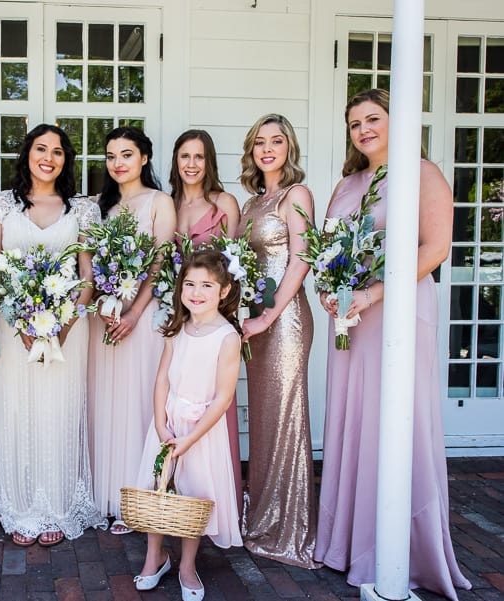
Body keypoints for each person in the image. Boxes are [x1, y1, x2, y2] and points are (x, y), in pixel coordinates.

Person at [314, 89, 471, 598]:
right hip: (352, 321)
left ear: (397, 121)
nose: (363, 129)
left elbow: (436, 248)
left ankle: (396, 551)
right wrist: (329, 289)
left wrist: (373, 292)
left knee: (396, 422)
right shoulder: (347, 182)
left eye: (373, 118)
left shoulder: (423, 174)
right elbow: (330, 248)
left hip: (399, 312)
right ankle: (347, 543)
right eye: (355, 122)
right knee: (353, 418)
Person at [0, 123, 102, 547]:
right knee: (18, 408)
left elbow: (88, 273)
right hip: (13, 326)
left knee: (60, 409)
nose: (48, 157)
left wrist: (67, 321)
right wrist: (22, 322)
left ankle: (59, 506)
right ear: (26, 154)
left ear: (66, 160)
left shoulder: (82, 208)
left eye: (57, 151)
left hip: (70, 324)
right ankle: (21, 507)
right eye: (40, 149)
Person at [133, 249, 243, 600]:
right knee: (158, 489)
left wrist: (191, 438)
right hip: (167, 425)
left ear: (224, 291)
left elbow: (223, 398)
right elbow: (162, 378)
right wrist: (163, 426)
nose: (196, 292)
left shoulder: (227, 337)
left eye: (207, 286)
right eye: (190, 284)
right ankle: (156, 557)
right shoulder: (177, 327)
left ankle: (187, 565)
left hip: (200, 430)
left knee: (192, 497)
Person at [237, 114, 319, 569]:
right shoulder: (251, 205)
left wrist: (270, 315)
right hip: (255, 323)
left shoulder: (296, 195)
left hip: (284, 322)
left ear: (289, 148)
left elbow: (301, 259)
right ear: (251, 151)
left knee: (286, 415)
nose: (268, 149)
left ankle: (289, 528)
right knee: (265, 419)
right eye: (260, 142)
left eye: (277, 141)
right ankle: (263, 515)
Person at [87, 126, 176, 534]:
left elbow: (158, 263)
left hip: (141, 320)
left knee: (138, 404)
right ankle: (104, 494)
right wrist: (103, 307)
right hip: (104, 318)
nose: (118, 163)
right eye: (110, 156)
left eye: (126, 154)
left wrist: (134, 315)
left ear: (144, 158)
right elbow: (87, 264)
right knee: (104, 404)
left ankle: (137, 499)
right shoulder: (96, 206)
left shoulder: (160, 201)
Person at [168, 129, 243, 515]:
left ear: (209, 161)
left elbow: (235, 265)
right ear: (176, 161)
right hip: (175, 310)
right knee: (173, 393)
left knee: (212, 398)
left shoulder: (224, 203)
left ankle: (214, 503)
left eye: (199, 157)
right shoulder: (169, 205)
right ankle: (168, 495)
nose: (191, 164)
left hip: (212, 316)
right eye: (185, 156)